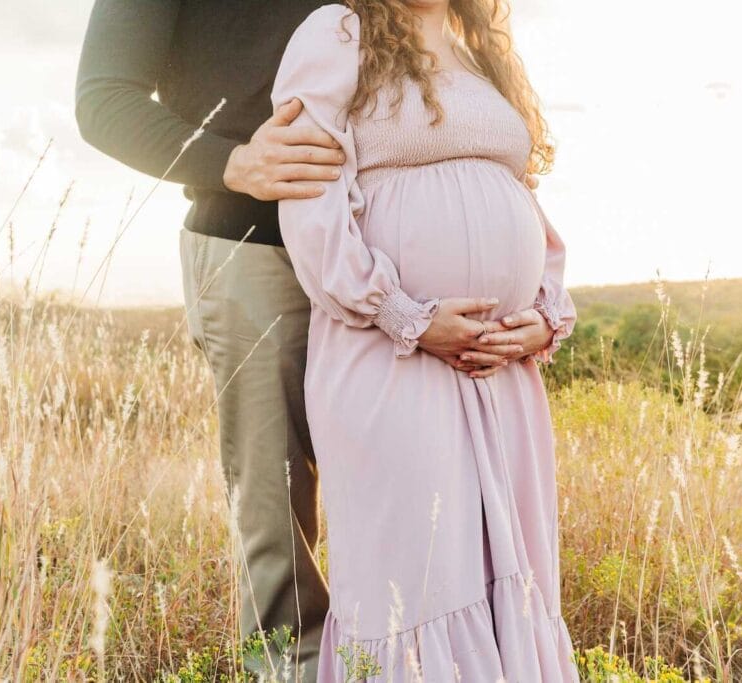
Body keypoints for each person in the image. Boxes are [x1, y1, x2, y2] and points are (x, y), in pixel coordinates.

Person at [74, 2, 560, 678]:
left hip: (385, 262)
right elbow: (102, 101)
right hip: (252, 247)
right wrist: (233, 162)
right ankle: (288, 669)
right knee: (277, 500)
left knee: (418, 511)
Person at [272, 1, 579, 680]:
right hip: (388, 355)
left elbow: (519, 197)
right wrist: (405, 313)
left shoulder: (482, 45)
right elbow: (308, 198)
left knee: (512, 576)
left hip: (501, 374)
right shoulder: (337, 34)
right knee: (412, 583)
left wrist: (545, 313)